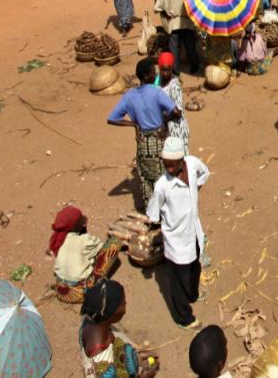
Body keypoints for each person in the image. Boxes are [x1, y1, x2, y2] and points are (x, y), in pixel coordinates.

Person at [147, 137, 211, 331]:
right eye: (166, 165)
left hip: (193, 230)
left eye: (173, 165)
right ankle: (183, 317)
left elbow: (205, 173)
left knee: (195, 267)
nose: (170, 169)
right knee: (179, 279)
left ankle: (193, 294)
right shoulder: (162, 186)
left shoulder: (192, 164)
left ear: (182, 160)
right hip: (176, 239)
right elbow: (152, 213)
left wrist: (194, 191)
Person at [107, 58, 180, 207]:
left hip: (143, 144)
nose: (156, 73)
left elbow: (112, 118)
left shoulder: (129, 96)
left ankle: (152, 210)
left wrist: (134, 124)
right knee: (164, 175)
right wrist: (165, 121)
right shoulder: (156, 93)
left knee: (146, 177)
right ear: (146, 76)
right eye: (154, 72)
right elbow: (177, 111)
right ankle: (167, 208)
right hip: (159, 140)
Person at [79, 279, 160, 378]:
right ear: (111, 312)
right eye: (122, 304)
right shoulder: (102, 365)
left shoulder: (91, 320)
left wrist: (135, 359)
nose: (125, 304)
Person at [50, 206, 122, 304]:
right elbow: (102, 249)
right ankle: (95, 290)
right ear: (80, 225)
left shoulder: (59, 240)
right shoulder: (84, 240)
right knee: (114, 243)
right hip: (80, 294)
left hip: (61, 292)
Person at [155, 0, 199, 76]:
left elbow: (157, 8)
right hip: (187, 23)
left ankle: (175, 70)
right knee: (190, 46)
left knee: (174, 48)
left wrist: (166, 13)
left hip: (173, 24)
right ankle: (195, 67)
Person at [155, 51, 191, 150]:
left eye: (168, 70)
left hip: (175, 128)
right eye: (163, 70)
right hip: (163, 126)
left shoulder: (174, 86)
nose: (165, 73)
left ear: (172, 69)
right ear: (159, 68)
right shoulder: (157, 81)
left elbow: (178, 112)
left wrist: (163, 121)